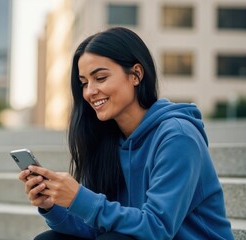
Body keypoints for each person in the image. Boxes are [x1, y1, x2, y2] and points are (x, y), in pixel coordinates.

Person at [18, 27, 234, 240]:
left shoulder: (178, 137)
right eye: (84, 83)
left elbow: (156, 227)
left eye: (100, 78)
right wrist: (51, 206)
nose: (90, 91)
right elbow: (98, 227)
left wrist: (79, 198)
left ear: (136, 75)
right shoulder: (109, 139)